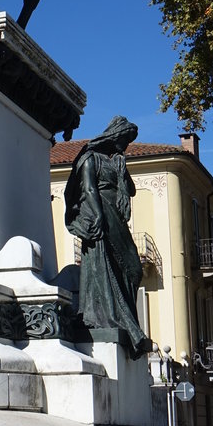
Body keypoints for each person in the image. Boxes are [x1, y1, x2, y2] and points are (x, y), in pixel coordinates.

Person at [64, 116, 150, 358]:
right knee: (111, 266)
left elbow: (129, 190)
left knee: (134, 270)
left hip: (117, 217)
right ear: (115, 135)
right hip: (103, 213)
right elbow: (89, 188)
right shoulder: (89, 158)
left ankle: (129, 321)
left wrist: (123, 170)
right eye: (125, 139)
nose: (126, 145)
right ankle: (113, 319)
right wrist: (98, 215)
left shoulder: (114, 161)